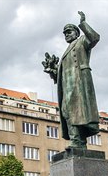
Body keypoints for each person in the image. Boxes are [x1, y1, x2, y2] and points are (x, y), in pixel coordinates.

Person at [42, 11, 100, 149]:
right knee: (67, 111)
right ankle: (77, 141)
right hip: (68, 88)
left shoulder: (81, 42)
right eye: (64, 33)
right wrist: (53, 71)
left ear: (76, 32)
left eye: (69, 31)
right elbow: (63, 75)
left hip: (79, 84)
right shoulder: (65, 53)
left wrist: (83, 23)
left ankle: (78, 141)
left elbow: (94, 38)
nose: (66, 34)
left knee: (76, 112)